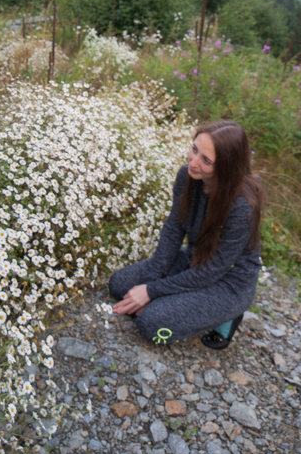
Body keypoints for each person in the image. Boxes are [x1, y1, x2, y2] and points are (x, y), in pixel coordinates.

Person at [110, 119, 264, 349]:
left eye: (206, 160)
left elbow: (211, 272)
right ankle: (176, 303)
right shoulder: (188, 176)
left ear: (227, 167)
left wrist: (152, 291)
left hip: (228, 281)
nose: (193, 162)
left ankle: (227, 314)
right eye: (194, 149)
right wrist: (153, 275)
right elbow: (174, 227)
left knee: (151, 325)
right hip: (195, 259)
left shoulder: (242, 207)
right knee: (119, 285)